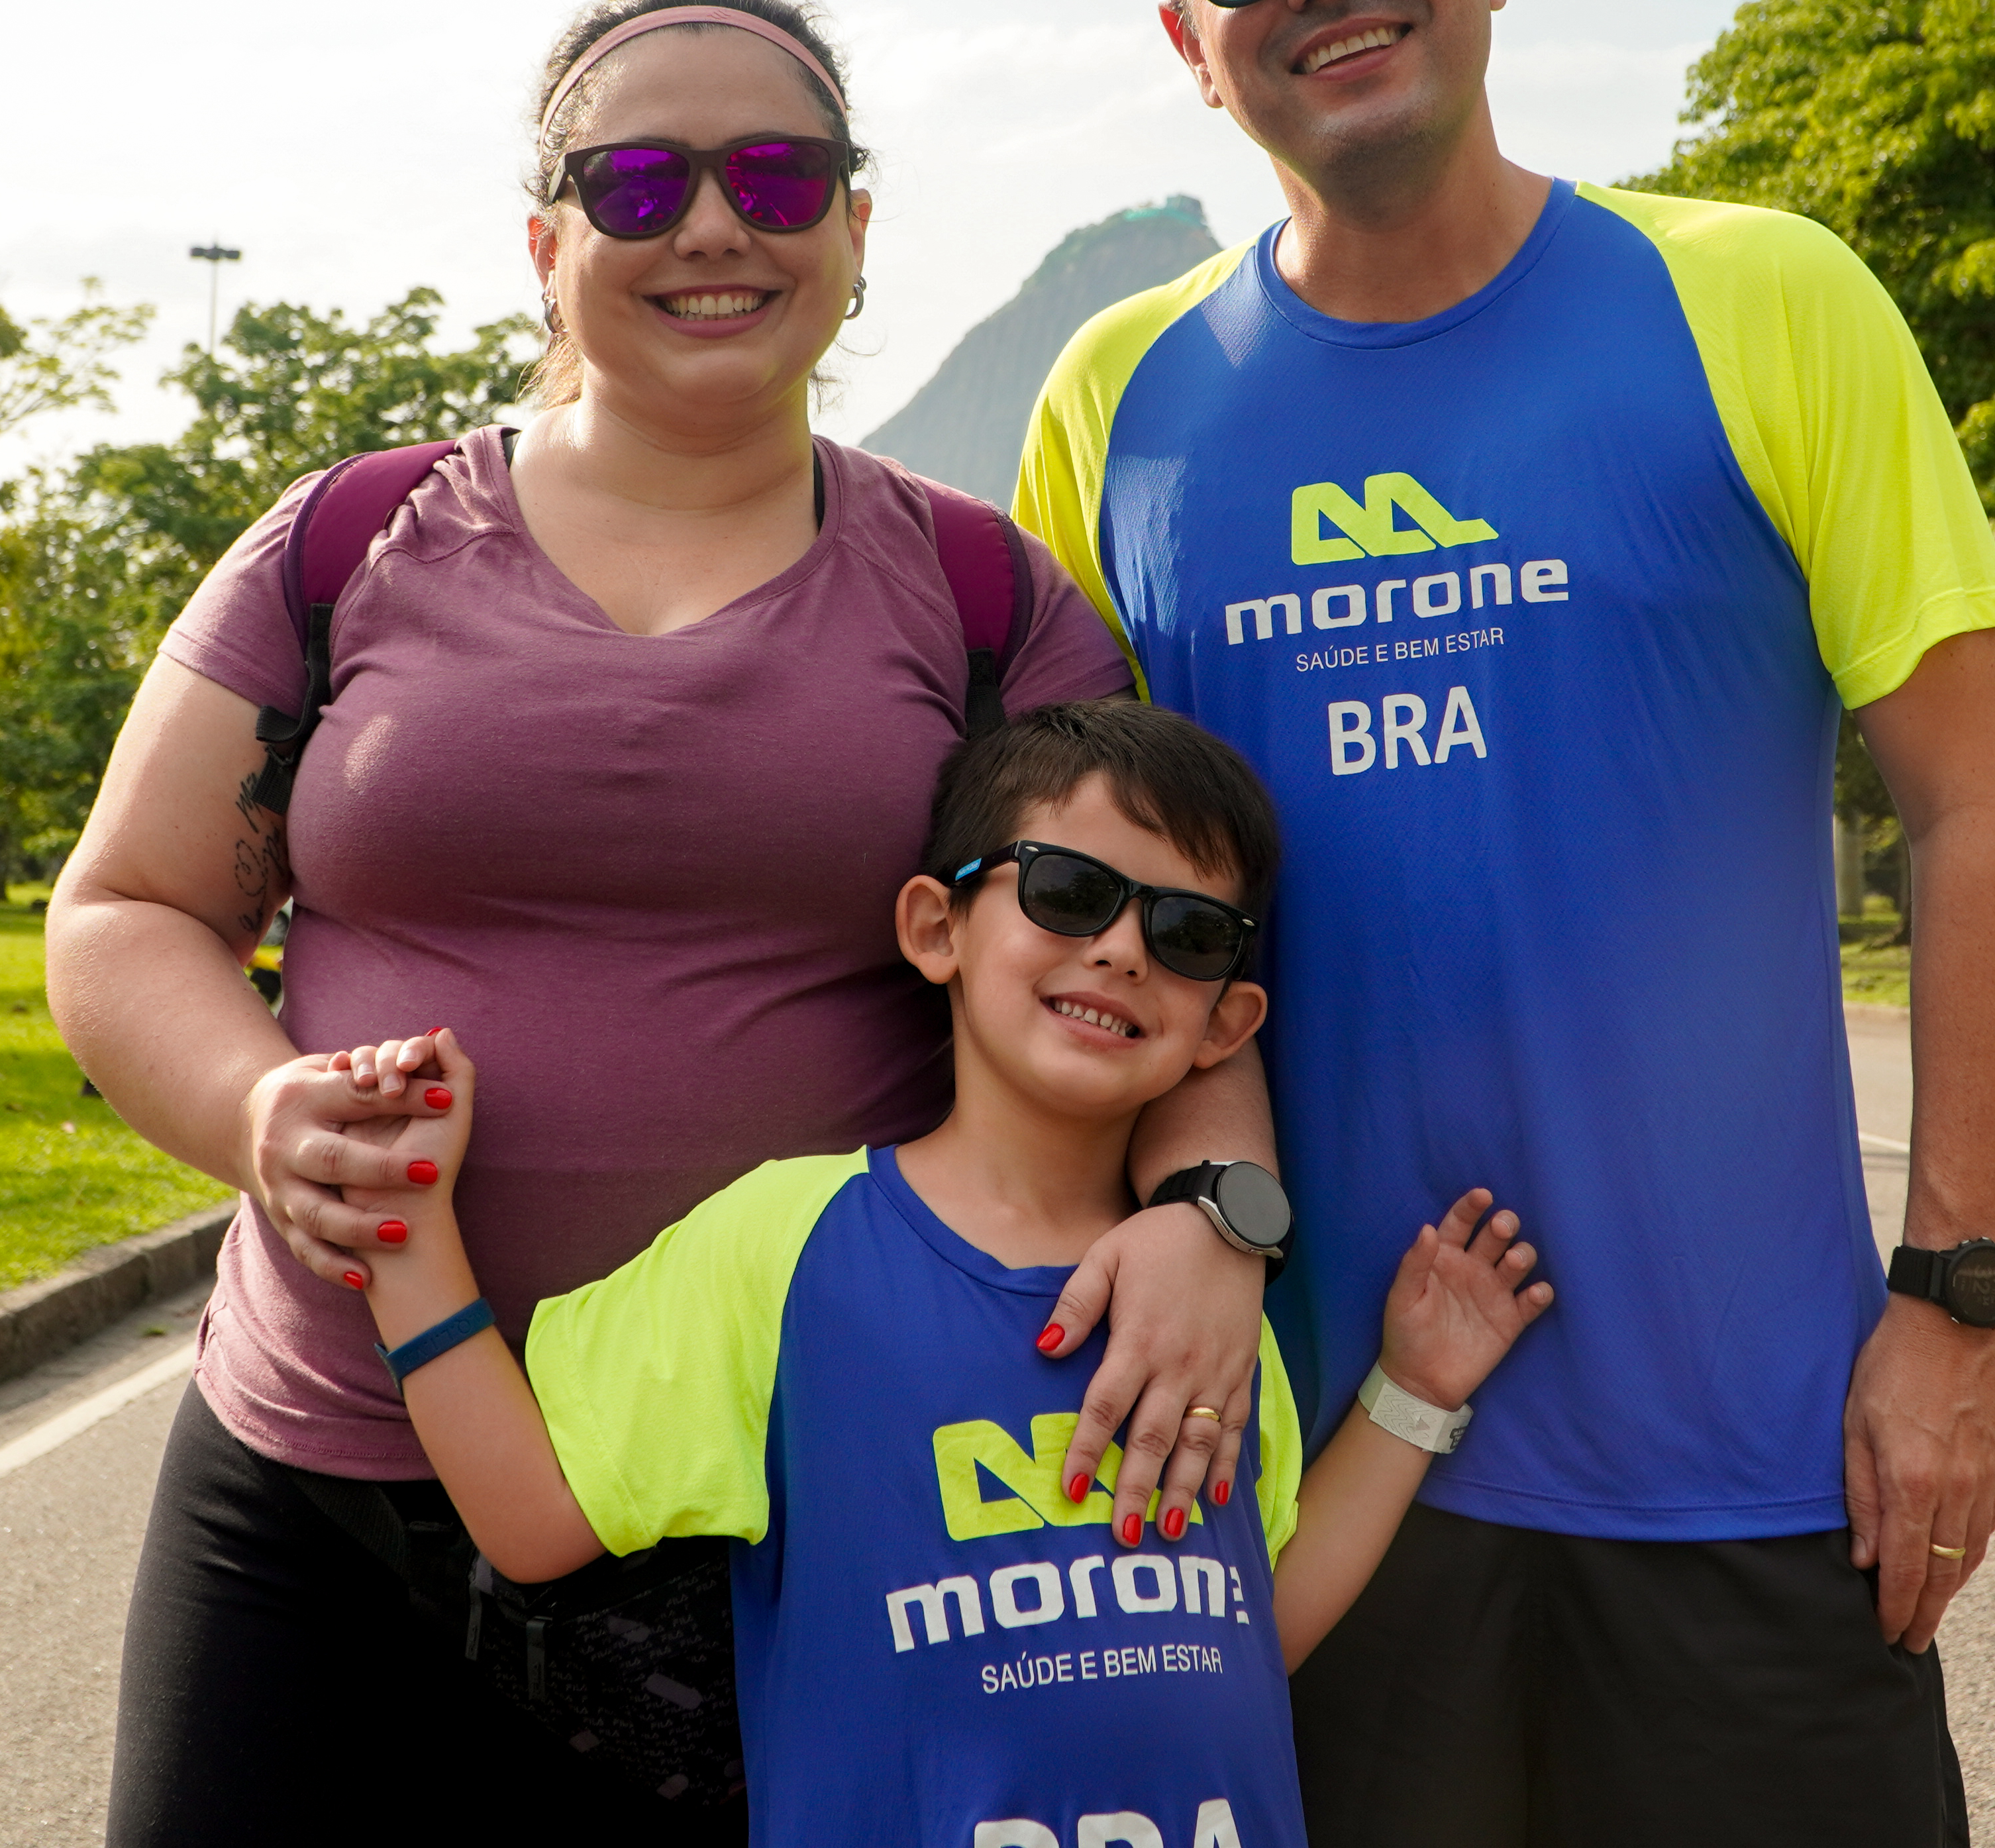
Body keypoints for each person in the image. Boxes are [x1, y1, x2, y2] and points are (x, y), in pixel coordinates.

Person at [46, 0, 1286, 1845]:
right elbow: (131, 908)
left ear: (856, 232)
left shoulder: (979, 598)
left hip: (796, 1509)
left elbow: (1161, 943)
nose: (713, 223)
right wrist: (258, 1112)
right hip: (322, 1468)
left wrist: (1216, 1218)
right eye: (635, 183)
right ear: (545, 244)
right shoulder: (341, 545)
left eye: (780, 177)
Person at [1018, 0, 1995, 1845]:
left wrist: (1954, 1308)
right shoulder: (1112, 408)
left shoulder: (1761, 302)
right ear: (1183, 41)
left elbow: (1986, 803)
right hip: (1320, 1485)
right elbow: (1069, 945)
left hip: (1754, 1465)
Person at [329, 701, 1552, 1847]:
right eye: (1071, 894)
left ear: (1224, 1024)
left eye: (1185, 932)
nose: (1122, 949)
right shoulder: (784, 1244)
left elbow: (1249, 1628)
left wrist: (1412, 1390)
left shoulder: (1208, 1309)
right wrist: (404, 1237)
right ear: (936, 928)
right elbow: (534, 1520)